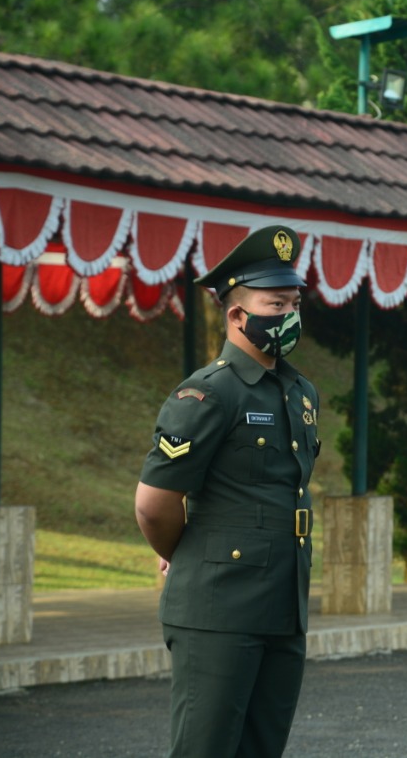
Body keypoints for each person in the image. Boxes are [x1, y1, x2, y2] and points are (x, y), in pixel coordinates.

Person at [134, 224, 320, 758]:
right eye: (276, 303)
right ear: (238, 315)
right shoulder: (207, 395)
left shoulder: (298, 391)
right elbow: (154, 503)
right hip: (218, 611)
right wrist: (188, 556)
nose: (289, 314)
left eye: (295, 302)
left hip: (283, 608)